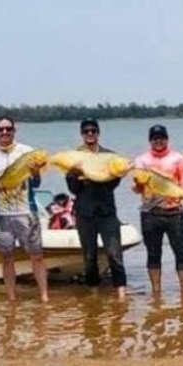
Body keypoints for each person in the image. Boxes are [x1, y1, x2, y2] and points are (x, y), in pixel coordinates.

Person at [0, 116, 49, 303]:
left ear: (14, 130)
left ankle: (44, 296)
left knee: (37, 256)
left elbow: (35, 183)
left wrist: (35, 171)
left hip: (26, 212)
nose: (5, 132)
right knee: (6, 258)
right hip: (2, 215)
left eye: (8, 129)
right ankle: (11, 298)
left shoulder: (27, 152)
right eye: (1, 129)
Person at [65, 118, 127, 291]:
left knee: (114, 254)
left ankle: (121, 292)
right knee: (89, 256)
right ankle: (93, 292)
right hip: (85, 214)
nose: (90, 134)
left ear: (98, 133)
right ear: (82, 134)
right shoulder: (75, 157)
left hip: (107, 213)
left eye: (93, 131)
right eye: (86, 131)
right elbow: (73, 189)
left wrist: (112, 174)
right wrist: (78, 175)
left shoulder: (110, 156)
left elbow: (112, 186)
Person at [133, 124, 183, 292]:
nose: (158, 141)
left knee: (182, 253)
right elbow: (136, 189)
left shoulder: (178, 159)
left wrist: (181, 194)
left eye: (161, 138)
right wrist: (138, 183)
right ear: (150, 140)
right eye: (154, 138)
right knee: (153, 255)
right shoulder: (141, 161)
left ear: (167, 139)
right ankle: (156, 291)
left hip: (174, 213)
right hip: (150, 214)